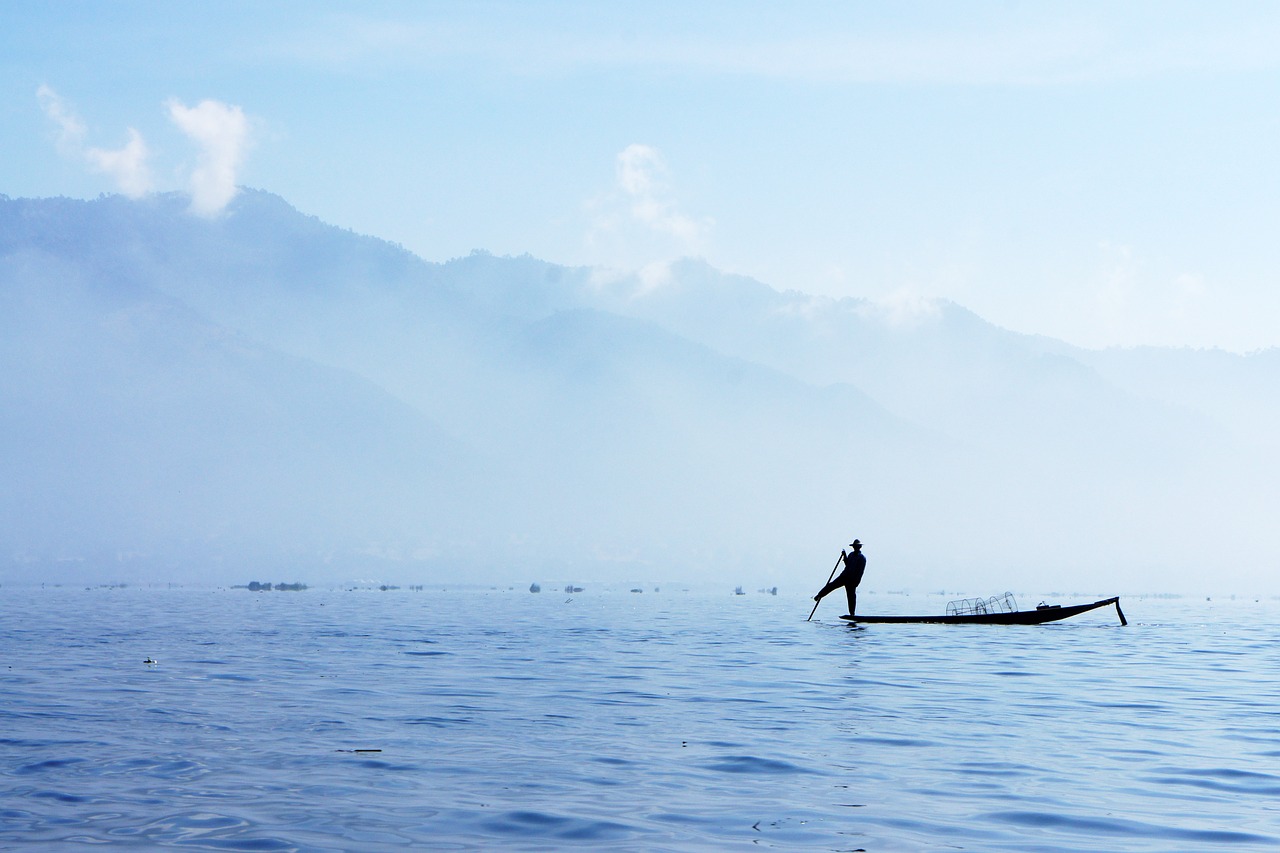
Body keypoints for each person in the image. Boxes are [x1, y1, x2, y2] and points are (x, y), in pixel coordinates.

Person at [814, 539, 866, 616]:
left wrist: (856, 582)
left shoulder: (862, 558)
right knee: (831, 585)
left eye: (857, 546)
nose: (855, 548)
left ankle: (852, 614)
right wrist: (845, 556)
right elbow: (847, 564)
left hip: (852, 580)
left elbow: (860, 571)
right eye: (854, 546)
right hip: (844, 576)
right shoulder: (851, 555)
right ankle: (819, 595)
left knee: (851, 597)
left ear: (859, 547)